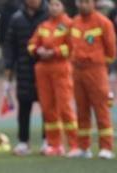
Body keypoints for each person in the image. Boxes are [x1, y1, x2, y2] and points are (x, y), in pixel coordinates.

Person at [28, 0, 79, 156]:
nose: (53, 8)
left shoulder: (70, 24)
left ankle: (75, 145)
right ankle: (54, 144)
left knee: (65, 108)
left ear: (63, 7)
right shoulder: (44, 26)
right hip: (43, 69)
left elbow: (73, 46)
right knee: (48, 108)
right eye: (51, 5)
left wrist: (54, 52)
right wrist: (38, 50)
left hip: (61, 68)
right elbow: (31, 44)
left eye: (57, 5)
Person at [70, 0, 117, 159]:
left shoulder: (103, 23)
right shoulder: (75, 22)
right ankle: (84, 147)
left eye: (87, 2)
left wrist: (100, 64)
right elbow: (71, 46)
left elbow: (111, 50)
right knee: (81, 110)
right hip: (77, 70)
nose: (83, 5)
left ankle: (106, 147)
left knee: (101, 109)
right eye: (81, 2)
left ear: (94, 4)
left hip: (95, 70)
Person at [3, 0, 48, 155]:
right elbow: (10, 45)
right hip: (23, 68)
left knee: (47, 106)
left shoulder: (49, 16)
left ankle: (47, 140)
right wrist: (8, 68)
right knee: (24, 105)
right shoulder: (17, 18)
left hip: (46, 68)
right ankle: (23, 141)